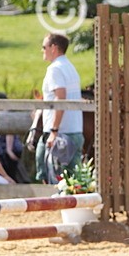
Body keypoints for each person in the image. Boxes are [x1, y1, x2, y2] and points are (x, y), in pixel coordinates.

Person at [36, 32, 85, 184]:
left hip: (60, 133)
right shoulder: (70, 67)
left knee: (47, 173)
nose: (42, 50)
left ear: (54, 48)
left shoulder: (54, 69)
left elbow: (60, 97)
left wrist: (54, 130)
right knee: (74, 180)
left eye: (44, 47)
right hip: (75, 130)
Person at [0, 91, 28, 183]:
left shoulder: (3, 115)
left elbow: (9, 132)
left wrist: (9, 149)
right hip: (10, 150)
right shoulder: (8, 113)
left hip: (5, 151)